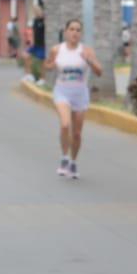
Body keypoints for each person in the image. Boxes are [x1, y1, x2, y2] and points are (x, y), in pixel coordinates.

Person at [43, 19, 104, 180]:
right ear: (65, 32)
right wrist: (51, 64)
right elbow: (47, 65)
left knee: (76, 133)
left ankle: (73, 161)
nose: (74, 33)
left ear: (80, 33)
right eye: (71, 29)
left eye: (78, 30)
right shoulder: (57, 49)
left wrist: (89, 60)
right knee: (65, 124)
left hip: (80, 93)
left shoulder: (86, 51)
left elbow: (99, 71)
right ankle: (64, 157)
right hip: (62, 91)